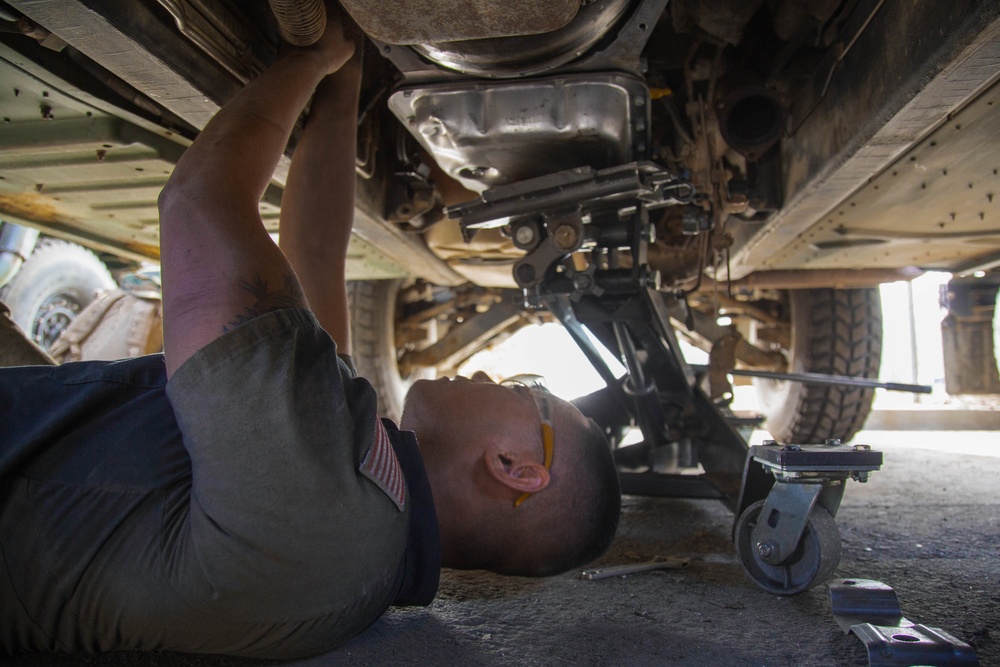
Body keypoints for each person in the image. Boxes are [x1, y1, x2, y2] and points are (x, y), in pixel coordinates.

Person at [0, 7, 621, 661]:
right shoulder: (365, 511)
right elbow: (315, 256)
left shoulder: (328, 507)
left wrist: (307, 61)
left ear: (516, 470)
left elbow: (199, 202)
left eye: (527, 391)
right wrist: (346, 81)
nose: (497, 376)